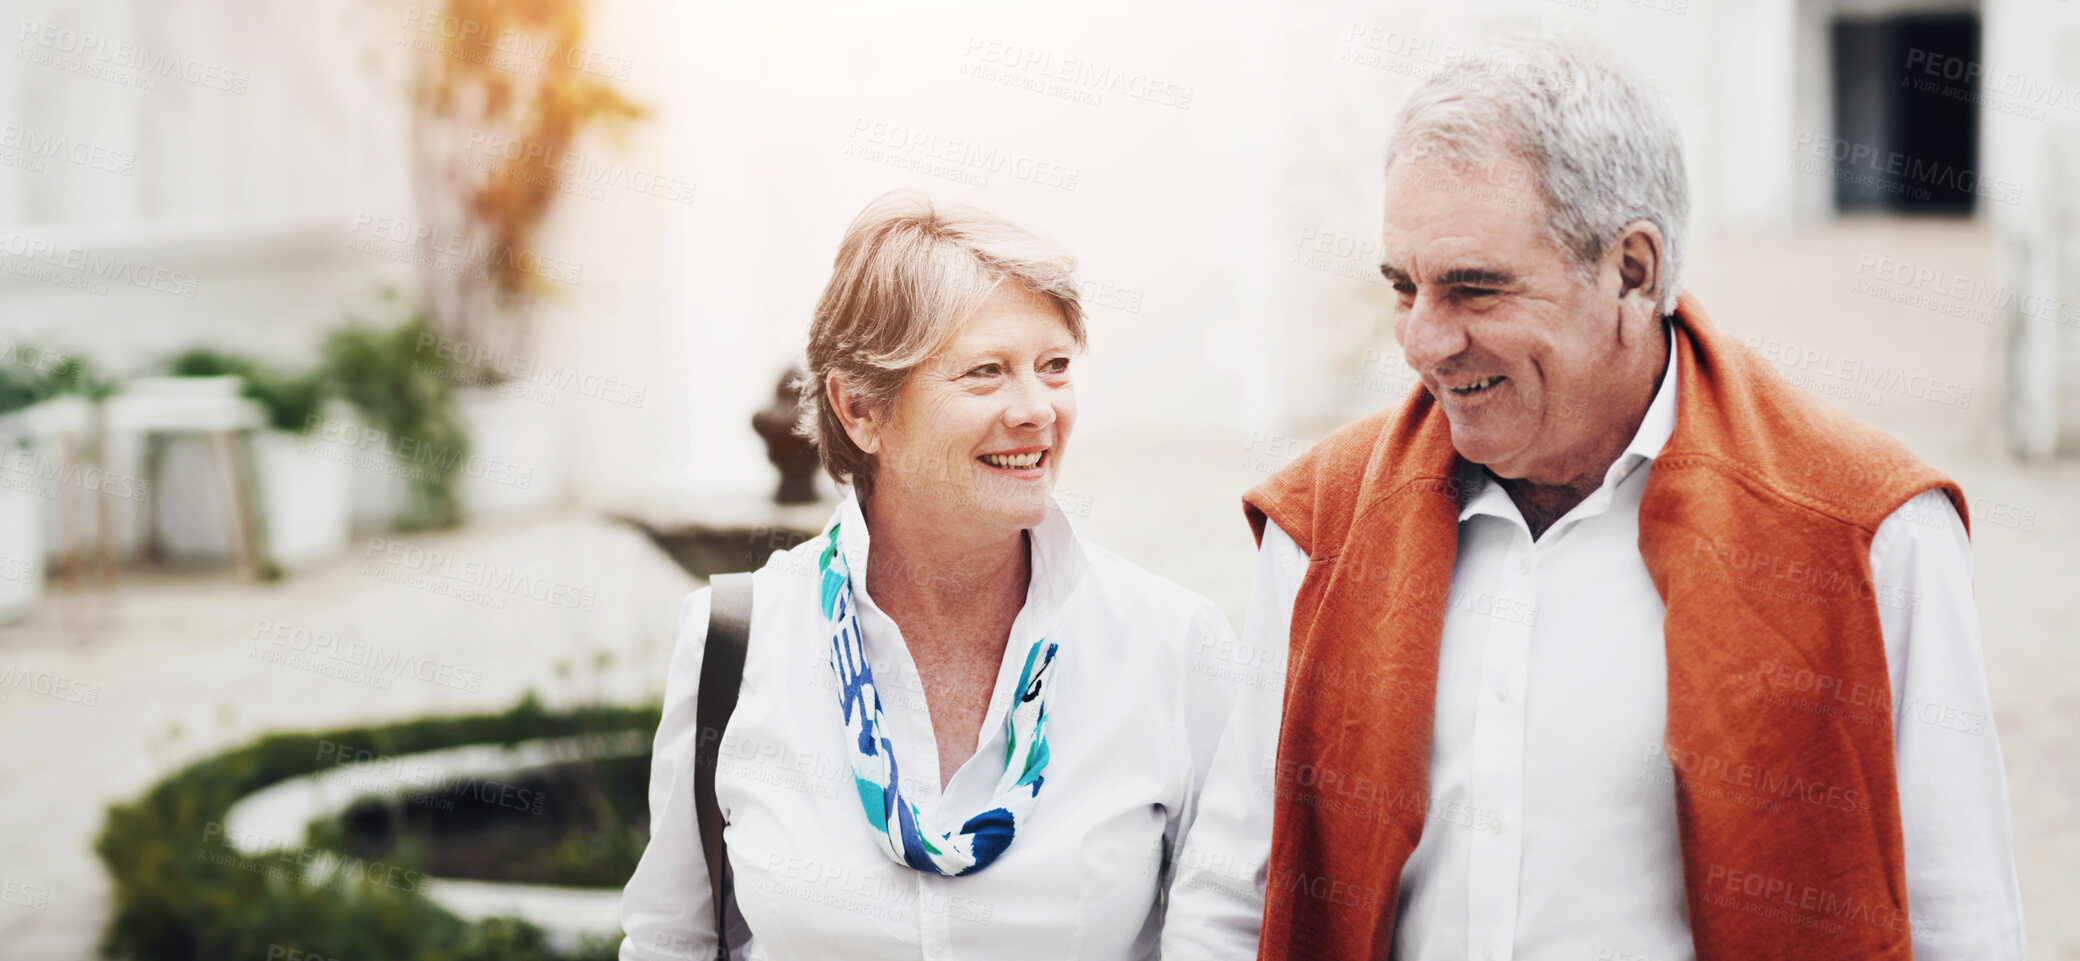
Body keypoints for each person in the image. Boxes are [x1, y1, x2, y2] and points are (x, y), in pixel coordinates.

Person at [1163, 37, 2025, 961]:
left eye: (1474, 290)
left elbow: (1960, 919)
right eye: (1404, 288)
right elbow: (1231, 896)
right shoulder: (1324, 520)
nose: (1421, 341)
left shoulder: (1870, 530)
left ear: (1633, 272)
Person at [620, 190, 1237, 960]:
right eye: (985, 372)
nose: (1037, 409)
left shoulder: (1171, 644)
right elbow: (669, 939)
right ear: (859, 409)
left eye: (1054, 366)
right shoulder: (737, 642)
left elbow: (1226, 932)